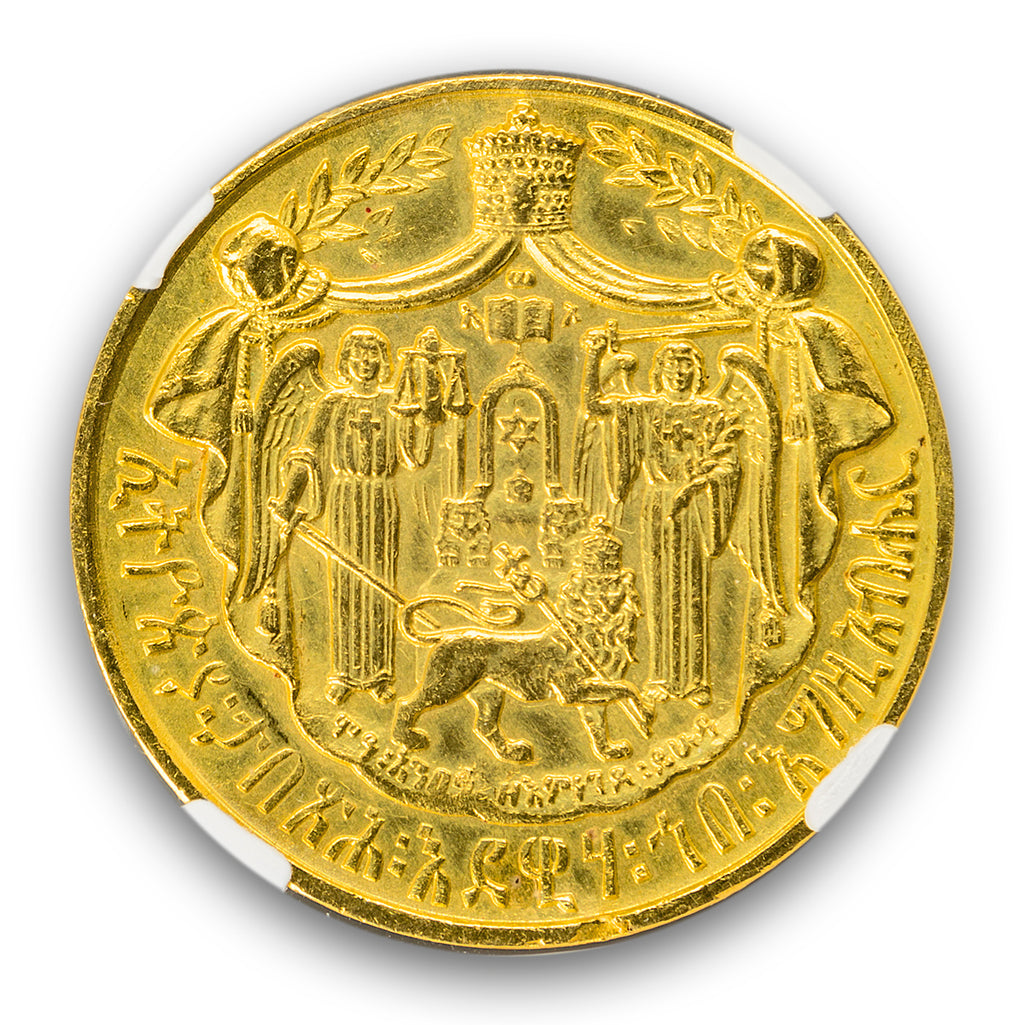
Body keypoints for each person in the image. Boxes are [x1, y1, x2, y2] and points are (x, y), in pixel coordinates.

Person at [580, 333, 741, 705]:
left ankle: (696, 681)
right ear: (659, 372)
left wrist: (697, 484)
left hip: (697, 505)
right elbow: (594, 405)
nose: (679, 373)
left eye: (687, 366)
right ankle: (661, 678)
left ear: (697, 372)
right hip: (657, 505)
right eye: (672, 366)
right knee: (658, 592)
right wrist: (594, 355)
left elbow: (728, 464)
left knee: (693, 590)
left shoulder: (713, 412)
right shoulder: (645, 409)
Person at [279, 326, 434, 701]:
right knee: (346, 584)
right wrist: (288, 498)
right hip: (345, 498)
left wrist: (423, 406)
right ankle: (344, 674)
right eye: (357, 354)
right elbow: (307, 453)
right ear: (345, 360)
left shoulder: (395, 402)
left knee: (380, 581)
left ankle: (381, 674)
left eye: (372, 354)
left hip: (381, 496)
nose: (365, 362)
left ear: (383, 361)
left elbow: (413, 456)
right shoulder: (332, 404)